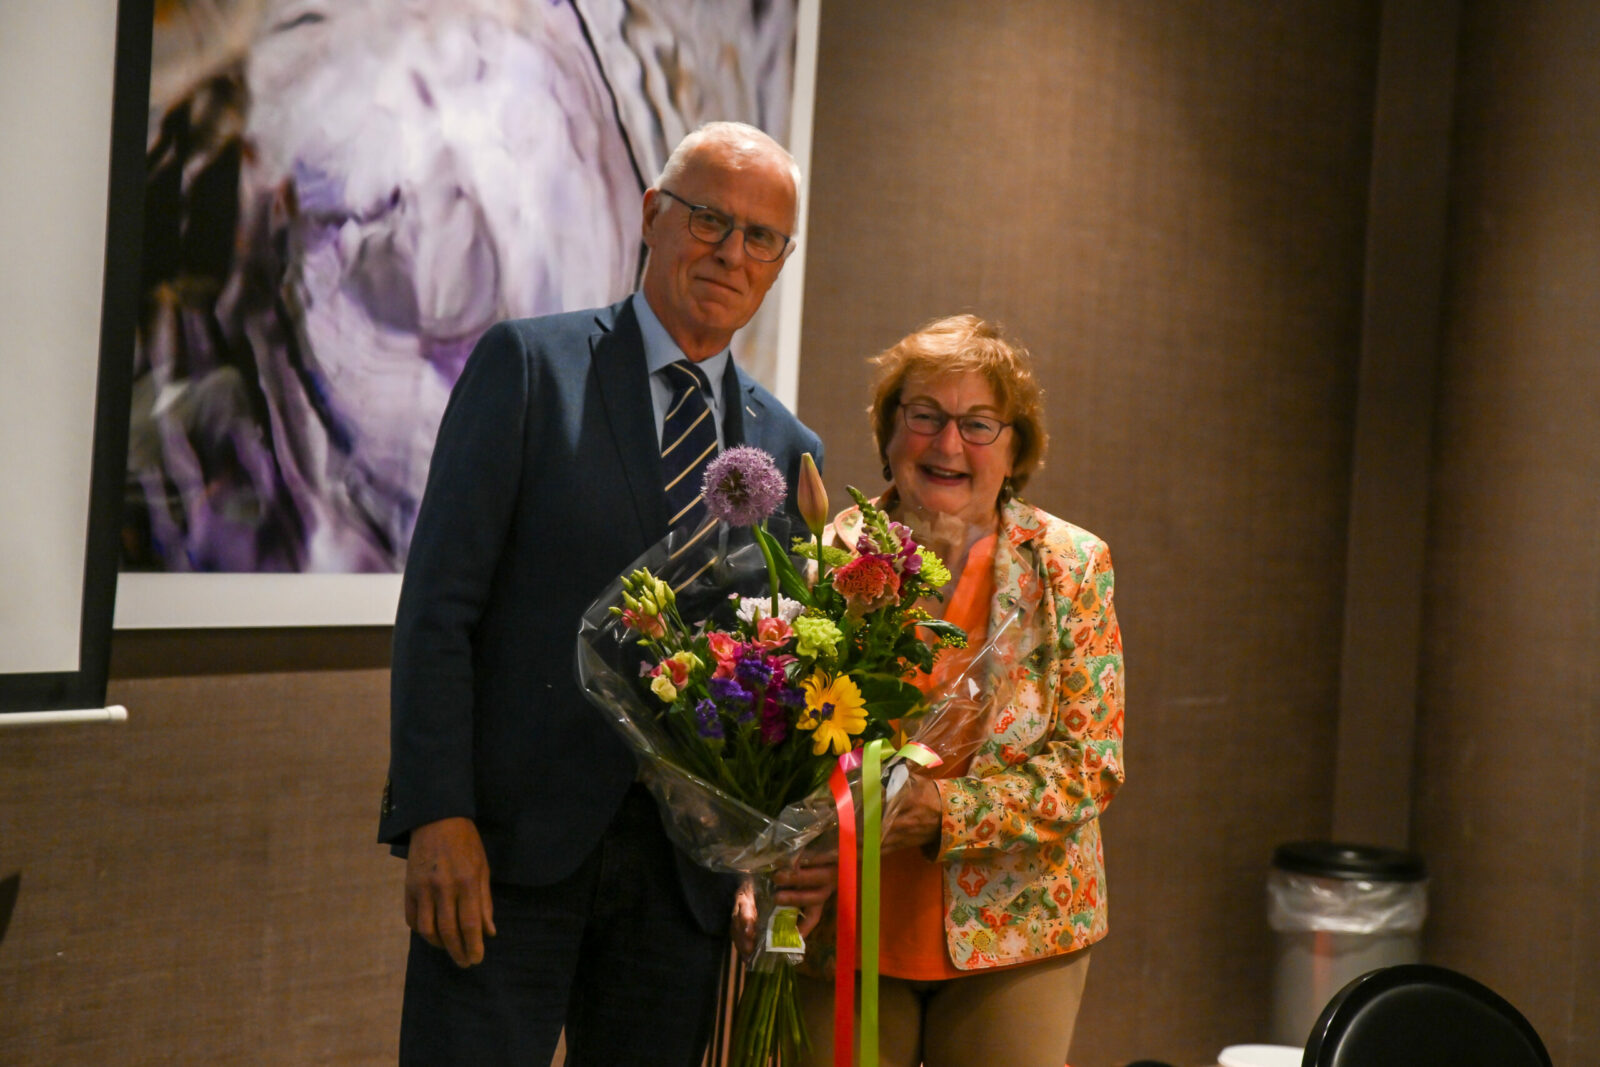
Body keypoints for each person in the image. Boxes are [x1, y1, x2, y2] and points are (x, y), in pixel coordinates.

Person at [379, 121, 827, 1066]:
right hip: (506, 855)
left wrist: (762, 854)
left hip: (681, 887)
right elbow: (438, 611)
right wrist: (434, 812)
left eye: (761, 237)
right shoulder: (530, 369)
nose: (731, 252)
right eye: (709, 219)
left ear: (780, 263)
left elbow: (778, 676)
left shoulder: (788, 451)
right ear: (653, 214)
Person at [797, 314, 1126, 1067]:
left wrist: (944, 812)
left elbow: (1090, 765)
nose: (948, 445)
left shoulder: (1071, 566)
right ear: (890, 432)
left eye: (978, 424)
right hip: (841, 919)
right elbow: (777, 743)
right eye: (925, 416)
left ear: (1015, 448)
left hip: (1018, 930)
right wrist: (764, 865)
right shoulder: (823, 559)